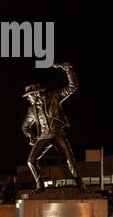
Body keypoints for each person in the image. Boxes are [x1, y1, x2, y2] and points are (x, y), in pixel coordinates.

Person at [22, 62, 86, 194]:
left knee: (70, 161)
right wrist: (31, 136)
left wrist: (68, 70)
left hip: (57, 134)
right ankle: (40, 186)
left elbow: (72, 87)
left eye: (30, 96)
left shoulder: (53, 98)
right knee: (31, 160)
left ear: (36, 94)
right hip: (44, 136)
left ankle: (82, 187)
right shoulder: (31, 110)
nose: (29, 98)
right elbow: (25, 126)